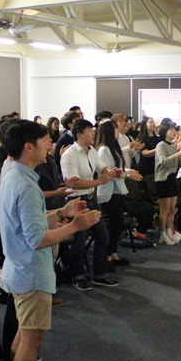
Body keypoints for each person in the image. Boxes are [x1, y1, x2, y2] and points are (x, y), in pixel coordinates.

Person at [0, 119, 101, 361]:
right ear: (28, 147)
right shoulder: (25, 184)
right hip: (30, 272)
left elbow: (28, 221)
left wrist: (61, 212)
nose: (50, 146)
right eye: (44, 141)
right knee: (31, 342)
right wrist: (75, 226)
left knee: (23, 337)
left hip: (20, 268)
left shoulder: (14, 173)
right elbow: (37, 239)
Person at [60, 119, 121, 290]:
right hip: (77, 201)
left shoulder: (91, 150)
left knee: (102, 236)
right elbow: (74, 183)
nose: (94, 134)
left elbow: (101, 167)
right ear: (79, 135)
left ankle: (100, 274)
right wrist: (99, 181)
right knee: (79, 240)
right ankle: (78, 275)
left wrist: (110, 172)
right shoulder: (70, 155)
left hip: (91, 199)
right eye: (90, 131)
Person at [96, 120, 143, 268]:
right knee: (115, 224)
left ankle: (113, 253)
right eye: (115, 129)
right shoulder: (103, 150)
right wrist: (128, 174)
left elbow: (118, 168)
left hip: (117, 190)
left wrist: (128, 172)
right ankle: (107, 255)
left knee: (118, 224)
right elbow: (109, 172)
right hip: (109, 192)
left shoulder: (113, 148)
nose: (118, 132)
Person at [155, 120, 181, 245]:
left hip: (173, 178)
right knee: (165, 209)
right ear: (164, 132)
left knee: (172, 209)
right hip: (163, 179)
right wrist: (179, 154)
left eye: (174, 130)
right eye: (170, 130)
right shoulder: (161, 145)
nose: (174, 132)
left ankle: (169, 231)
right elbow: (163, 161)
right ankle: (162, 234)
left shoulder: (173, 146)